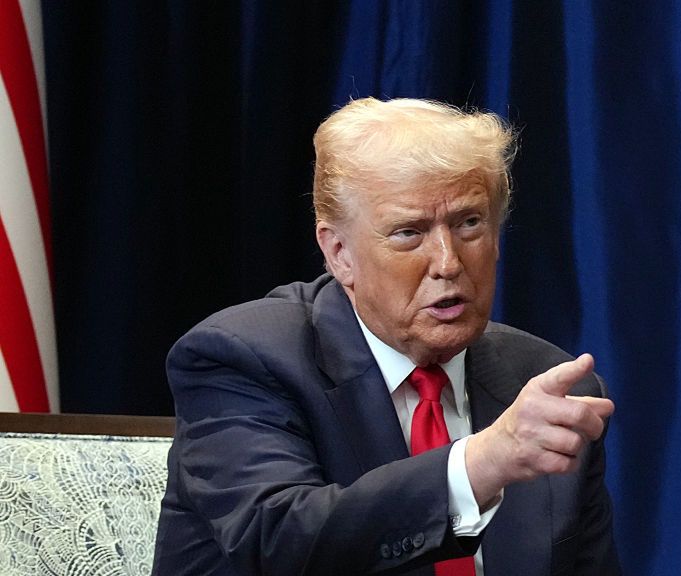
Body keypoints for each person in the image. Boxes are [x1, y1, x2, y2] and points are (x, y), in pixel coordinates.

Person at [152, 97, 620, 575]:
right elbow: (279, 542)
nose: (448, 262)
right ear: (339, 253)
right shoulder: (242, 359)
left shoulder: (547, 389)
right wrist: (479, 465)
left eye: (469, 223)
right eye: (409, 233)